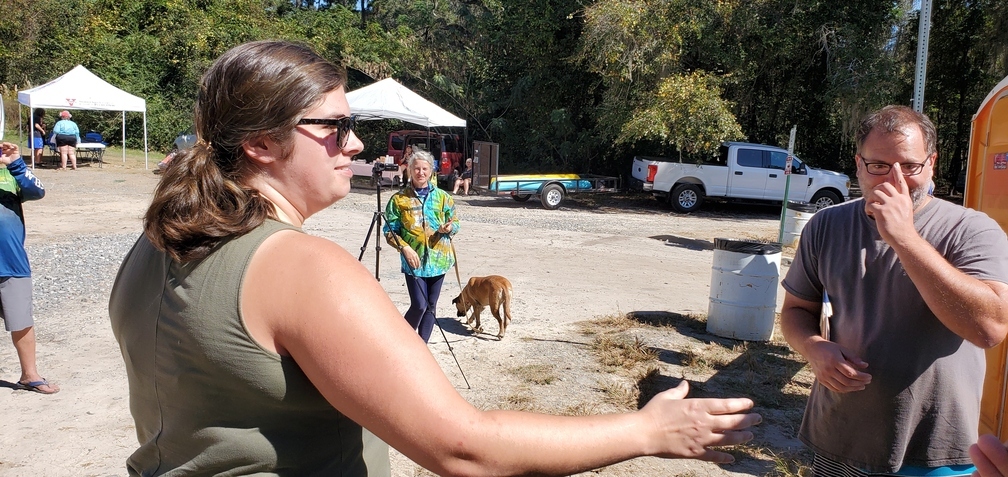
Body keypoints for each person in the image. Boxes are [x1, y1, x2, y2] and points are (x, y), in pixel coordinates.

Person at [108, 40, 760, 476]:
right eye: (332, 127)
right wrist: (647, 431)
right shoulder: (301, 270)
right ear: (259, 144)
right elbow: (463, 446)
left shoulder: (159, 238)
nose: (355, 144)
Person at [780, 105, 1008, 476]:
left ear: (931, 163)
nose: (895, 180)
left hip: (933, 446)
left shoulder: (972, 230)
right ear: (858, 164)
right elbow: (795, 311)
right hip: (841, 436)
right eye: (879, 166)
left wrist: (904, 238)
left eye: (910, 167)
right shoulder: (826, 225)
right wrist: (813, 348)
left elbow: (990, 329)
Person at [0, 142, 58, 395]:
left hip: (11, 261)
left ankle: (29, 374)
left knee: (21, 320)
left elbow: (37, 191)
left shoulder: (10, 172)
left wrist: (15, 163)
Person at [383, 149, 458, 342]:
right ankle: (403, 342)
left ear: (431, 171)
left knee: (431, 305)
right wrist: (405, 248)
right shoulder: (399, 200)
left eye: (425, 168)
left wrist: (448, 228)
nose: (421, 172)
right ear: (409, 170)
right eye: (416, 168)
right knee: (419, 305)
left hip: (439, 260)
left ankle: (422, 346)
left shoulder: (443, 197)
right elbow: (389, 231)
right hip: (414, 261)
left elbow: (455, 222)